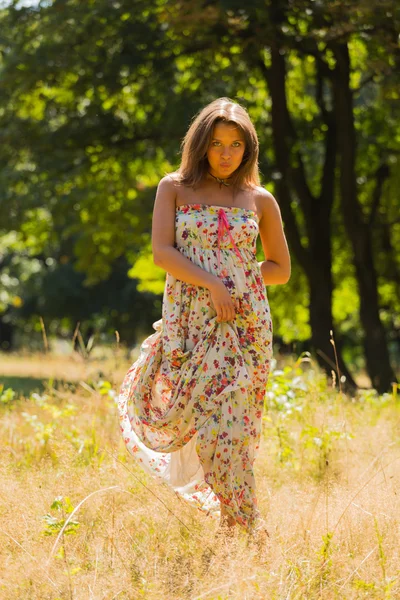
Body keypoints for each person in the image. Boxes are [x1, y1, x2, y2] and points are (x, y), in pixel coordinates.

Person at [117, 97, 290, 537]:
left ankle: (245, 530)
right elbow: (162, 253)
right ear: (201, 145)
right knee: (203, 424)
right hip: (191, 324)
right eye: (217, 143)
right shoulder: (174, 187)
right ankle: (236, 522)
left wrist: (235, 281)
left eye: (235, 144)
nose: (226, 153)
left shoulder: (259, 199)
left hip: (244, 326)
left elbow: (279, 269)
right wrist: (213, 283)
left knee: (233, 427)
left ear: (247, 149)